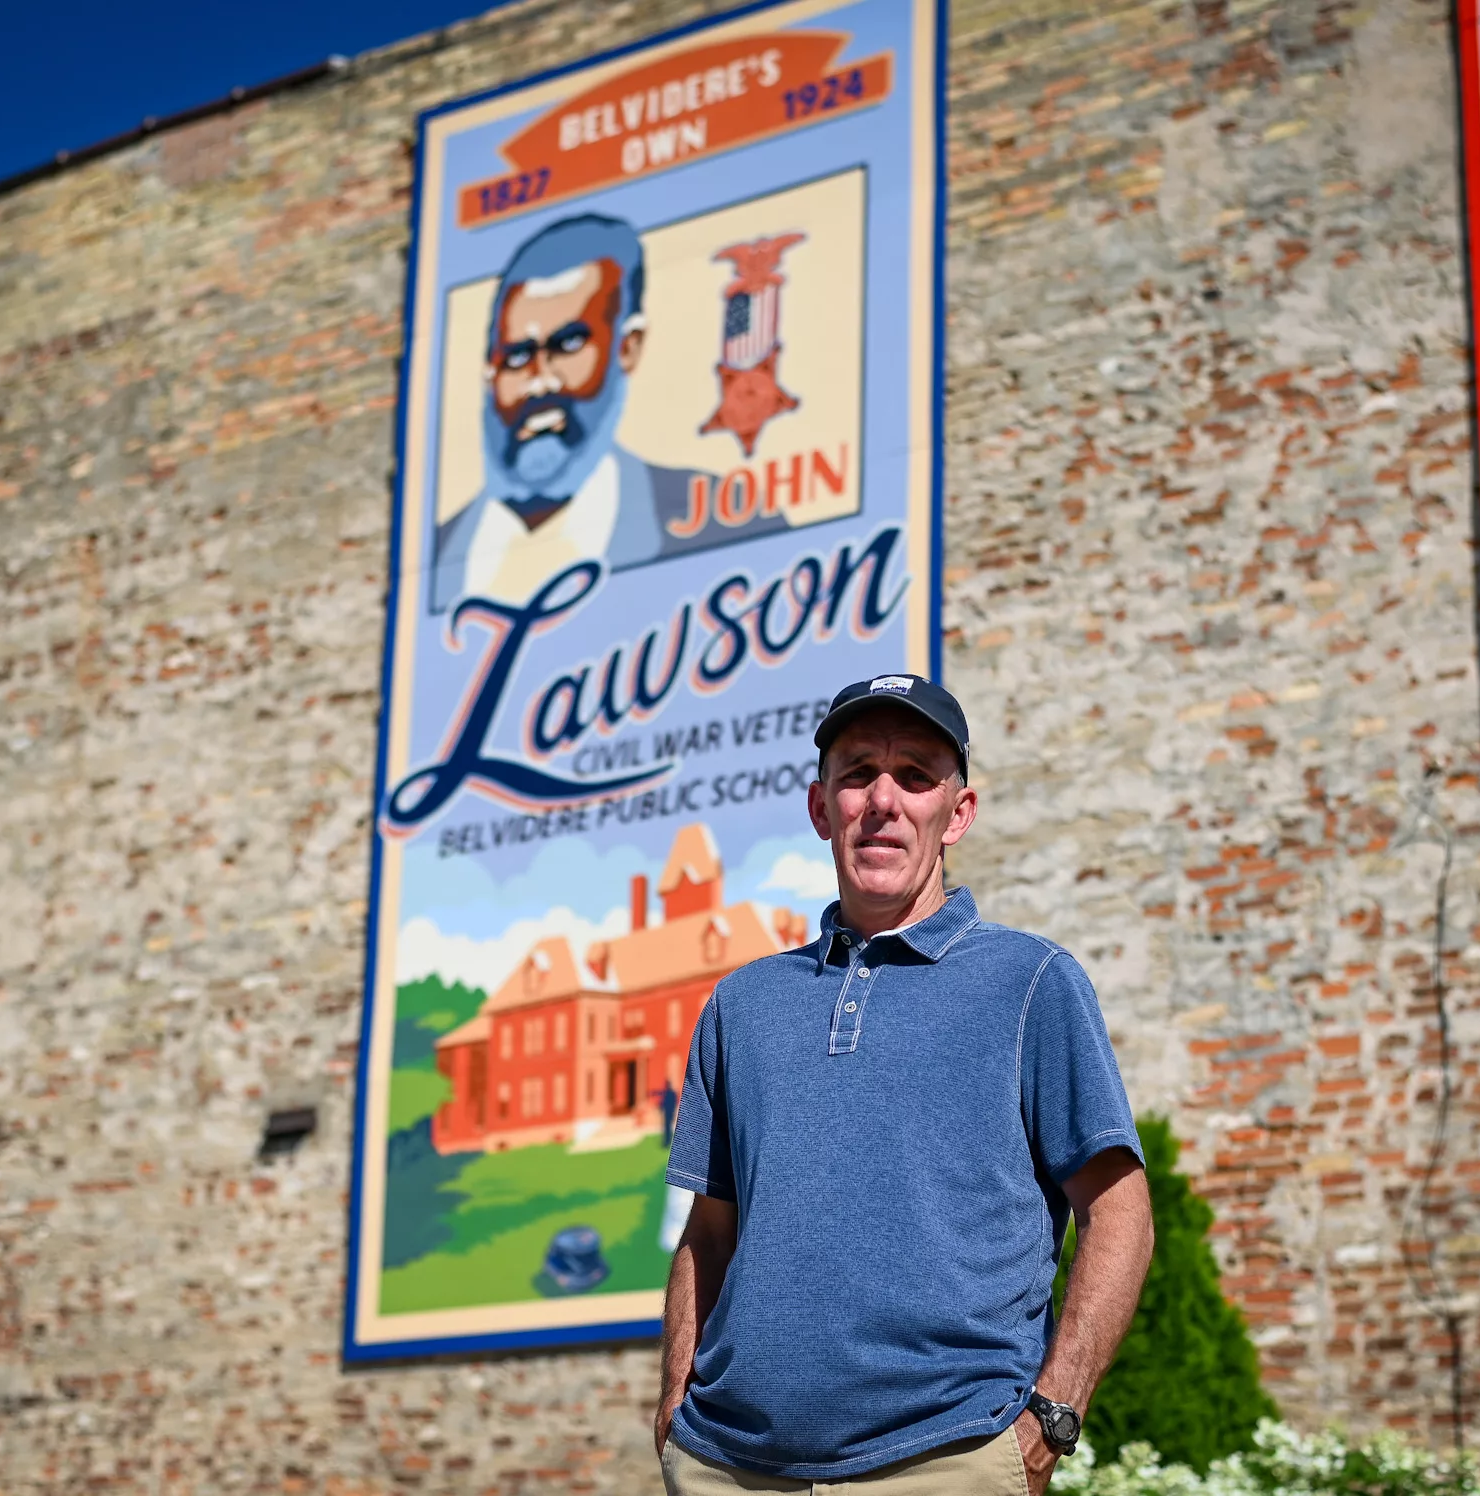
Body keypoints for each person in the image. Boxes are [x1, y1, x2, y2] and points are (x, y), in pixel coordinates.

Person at [655, 673, 1155, 1494]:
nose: (883, 800)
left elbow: (1121, 1210)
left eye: (916, 776)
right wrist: (677, 1401)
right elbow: (709, 1232)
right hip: (728, 1467)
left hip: (945, 1460)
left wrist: (1052, 1418)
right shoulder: (741, 1004)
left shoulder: (1031, 982)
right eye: (857, 775)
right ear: (822, 808)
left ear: (957, 813)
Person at [430, 213, 780, 610]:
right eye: (517, 356)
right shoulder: (432, 561)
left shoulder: (725, 519)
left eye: (568, 345)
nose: (539, 381)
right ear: (488, 371)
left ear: (627, 347)